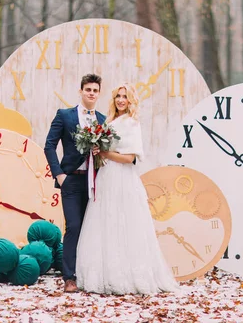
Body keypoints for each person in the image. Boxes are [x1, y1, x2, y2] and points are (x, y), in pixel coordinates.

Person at [75, 83, 180, 294]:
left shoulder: (131, 123)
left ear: (131, 101)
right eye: (118, 97)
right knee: (105, 222)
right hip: (106, 177)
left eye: (125, 97)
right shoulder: (110, 121)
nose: (121, 100)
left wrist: (104, 154)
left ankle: (127, 275)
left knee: (124, 223)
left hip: (122, 178)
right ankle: (104, 274)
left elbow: (129, 158)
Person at [44, 73, 106, 293]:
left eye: (95, 90)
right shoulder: (65, 115)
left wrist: (101, 152)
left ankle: (89, 273)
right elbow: (49, 146)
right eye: (88, 89)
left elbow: (107, 152)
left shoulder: (103, 119)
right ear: (81, 91)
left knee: (92, 229)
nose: (91, 93)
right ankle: (69, 277)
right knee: (74, 227)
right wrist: (59, 175)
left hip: (94, 182)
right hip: (70, 180)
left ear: (99, 93)